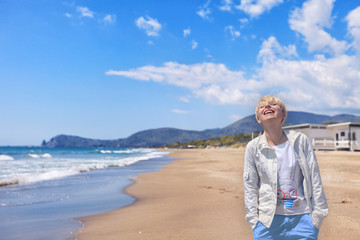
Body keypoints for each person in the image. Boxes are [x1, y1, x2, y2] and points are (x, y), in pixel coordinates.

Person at [243, 95, 328, 239]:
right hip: (267, 222)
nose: (268, 107)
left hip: (303, 219)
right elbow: (250, 185)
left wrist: (317, 217)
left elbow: (315, 178)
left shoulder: (300, 141)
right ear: (258, 118)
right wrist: (254, 221)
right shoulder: (253, 147)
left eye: (273, 104)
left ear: (283, 115)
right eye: (262, 106)